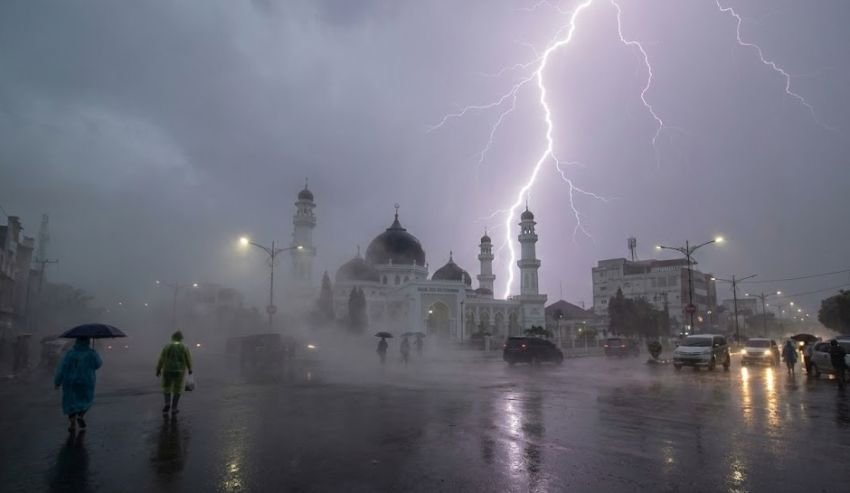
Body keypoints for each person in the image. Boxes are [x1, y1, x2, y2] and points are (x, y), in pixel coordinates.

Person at [53, 338, 103, 433]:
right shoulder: (91, 353)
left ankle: (72, 423)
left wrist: (57, 382)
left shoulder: (70, 354)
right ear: (87, 342)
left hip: (70, 382)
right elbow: (98, 364)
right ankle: (80, 415)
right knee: (86, 400)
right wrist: (93, 354)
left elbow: (62, 368)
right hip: (86, 381)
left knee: (70, 401)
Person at [156, 331, 193, 415]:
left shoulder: (167, 346)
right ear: (181, 338)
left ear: (172, 337)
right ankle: (174, 408)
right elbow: (188, 358)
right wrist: (190, 368)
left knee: (166, 388)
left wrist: (158, 369)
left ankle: (167, 403)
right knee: (177, 390)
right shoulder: (184, 347)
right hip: (179, 371)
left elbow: (161, 359)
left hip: (167, 370)